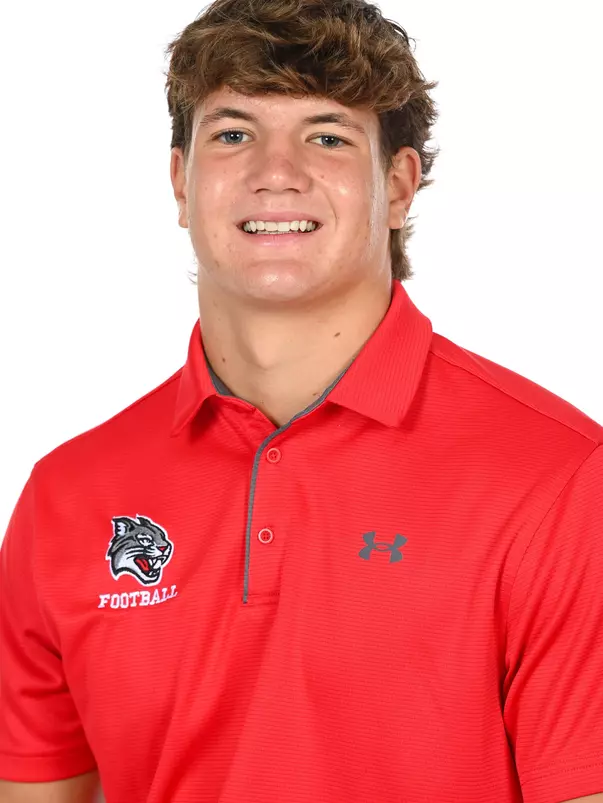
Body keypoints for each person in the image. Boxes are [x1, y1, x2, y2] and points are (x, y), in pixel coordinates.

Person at [1, 0, 602, 801]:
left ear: (397, 184)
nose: (273, 170)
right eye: (232, 134)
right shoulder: (67, 496)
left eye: (326, 136)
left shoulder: (558, 479)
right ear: (181, 182)